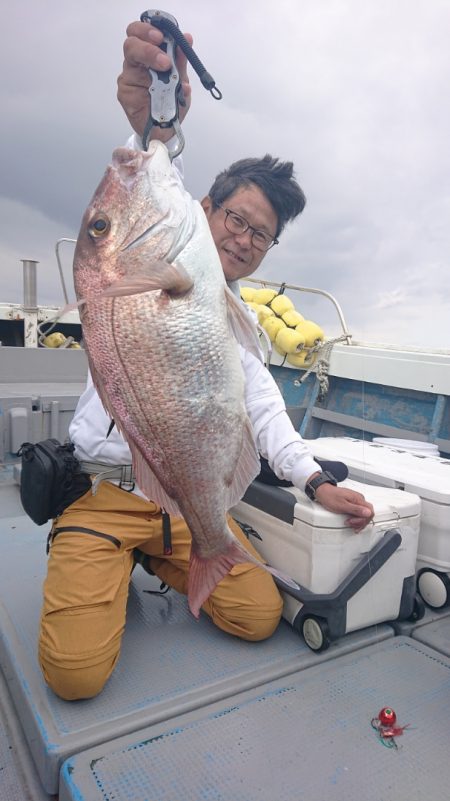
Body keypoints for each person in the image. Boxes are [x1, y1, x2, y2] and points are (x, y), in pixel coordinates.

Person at [38, 19, 374, 702]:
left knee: (257, 614)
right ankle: (96, 549)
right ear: (205, 209)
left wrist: (313, 480)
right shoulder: (155, 263)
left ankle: (160, 558)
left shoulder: (232, 317)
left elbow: (265, 409)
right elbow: (154, 178)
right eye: (236, 219)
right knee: (74, 676)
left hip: (184, 509)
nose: (244, 239)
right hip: (105, 491)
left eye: (262, 235)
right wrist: (157, 122)